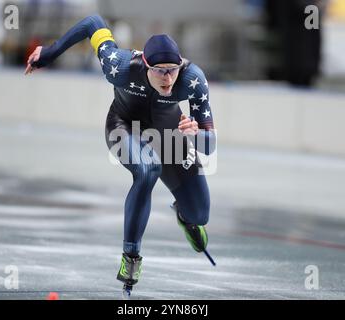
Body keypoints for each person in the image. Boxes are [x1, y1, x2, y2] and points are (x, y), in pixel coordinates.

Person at [25, 14, 216, 296]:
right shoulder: (120, 65)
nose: (168, 78)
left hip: (170, 133)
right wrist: (50, 53)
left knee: (200, 214)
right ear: (146, 65)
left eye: (173, 70)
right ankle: (131, 258)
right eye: (160, 71)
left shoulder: (192, 79)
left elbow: (210, 144)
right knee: (148, 169)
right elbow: (92, 23)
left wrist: (194, 134)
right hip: (124, 127)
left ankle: (185, 217)